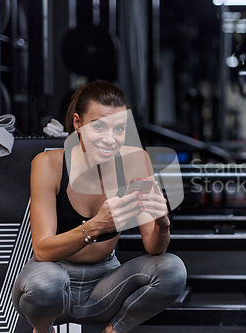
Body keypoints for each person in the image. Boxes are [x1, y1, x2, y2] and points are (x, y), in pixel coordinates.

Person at [11, 80, 187, 333]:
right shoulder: (48, 164)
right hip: (56, 285)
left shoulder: (136, 161)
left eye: (119, 129)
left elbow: (154, 247)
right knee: (46, 281)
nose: (110, 139)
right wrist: (93, 227)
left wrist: (162, 223)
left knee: (172, 269)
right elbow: (42, 251)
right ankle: (43, 331)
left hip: (106, 286)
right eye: (99, 126)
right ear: (78, 124)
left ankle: (113, 331)